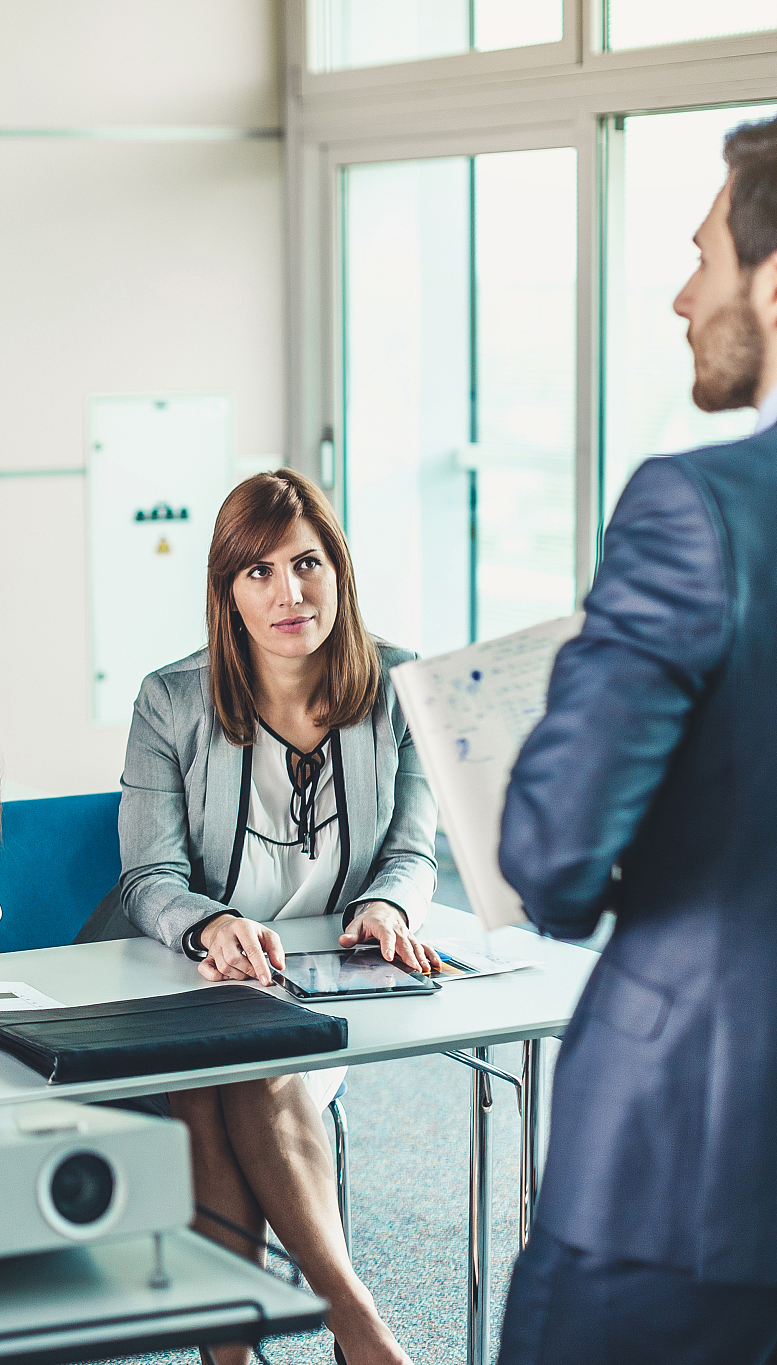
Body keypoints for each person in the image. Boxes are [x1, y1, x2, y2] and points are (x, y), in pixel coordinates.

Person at [495, 116, 777, 1365]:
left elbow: (553, 854)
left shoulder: (696, 511)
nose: (680, 296)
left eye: (703, 257)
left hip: (692, 1164)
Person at [93, 470, 433, 1365]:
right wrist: (211, 924)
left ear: (340, 570)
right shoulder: (171, 699)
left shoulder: (401, 685)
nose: (290, 593)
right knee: (226, 1058)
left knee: (235, 1066)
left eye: (308, 563)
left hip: (323, 984)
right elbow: (149, 877)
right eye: (260, 571)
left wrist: (388, 902)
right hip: (184, 977)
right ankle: (359, 1325)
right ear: (228, 591)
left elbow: (414, 849)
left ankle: (269, 1349)